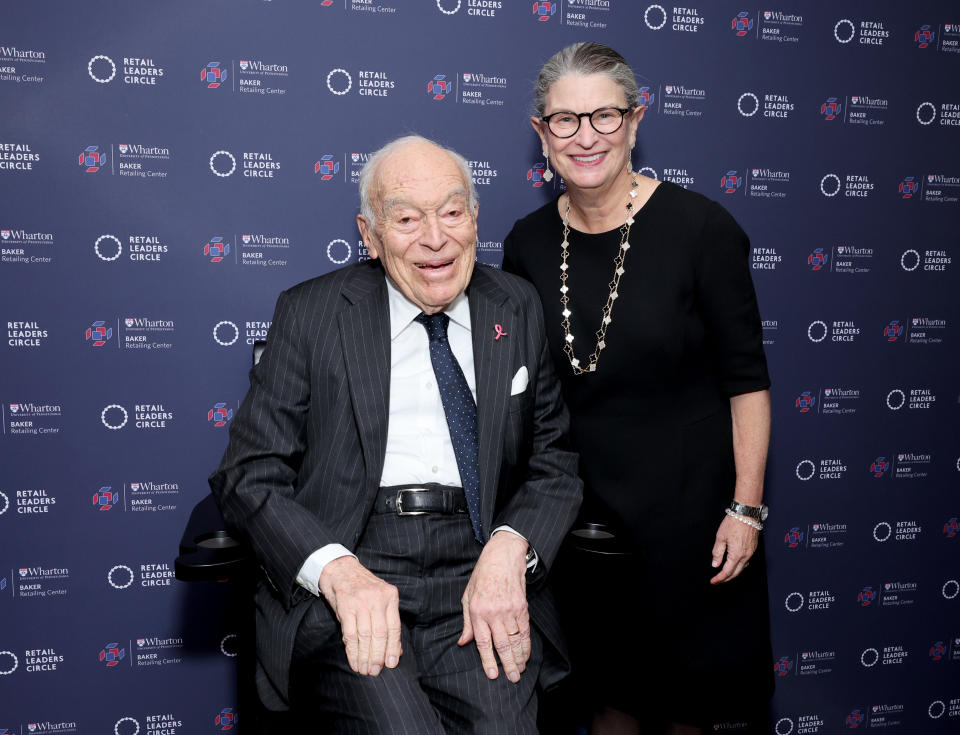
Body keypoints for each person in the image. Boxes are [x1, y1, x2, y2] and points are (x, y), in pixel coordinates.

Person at [209, 134, 582, 734]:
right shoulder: (312, 313)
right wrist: (338, 572)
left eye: (452, 212)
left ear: (474, 218)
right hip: (357, 564)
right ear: (370, 235)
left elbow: (553, 462)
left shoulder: (515, 305)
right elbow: (248, 473)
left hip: (477, 569)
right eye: (407, 219)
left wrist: (511, 549)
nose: (435, 239)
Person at [502, 43, 773, 734]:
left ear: (635, 118)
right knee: (606, 707)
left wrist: (745, 508)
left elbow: (747, 382)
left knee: (686, 712)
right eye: (564, 120)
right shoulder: (527, 243)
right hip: (583, 527)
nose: (585, 136)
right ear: (541, 133)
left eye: (604, 115)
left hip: (693, 525)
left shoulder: (702, 230)